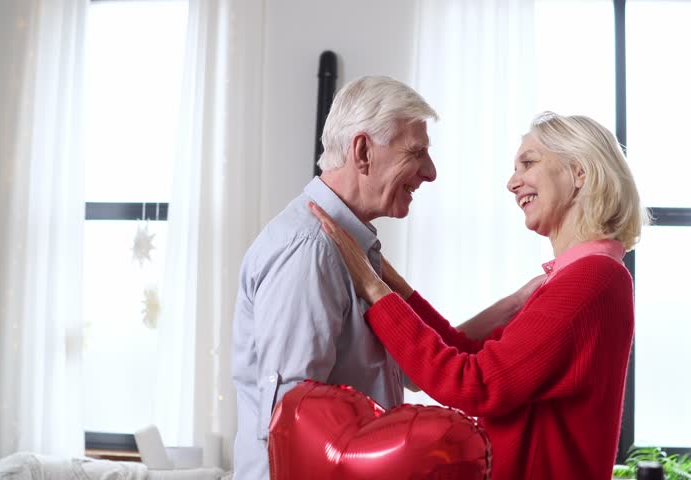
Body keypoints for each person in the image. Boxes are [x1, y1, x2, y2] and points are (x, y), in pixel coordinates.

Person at [230, 75, 543, 480]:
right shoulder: (312, 249)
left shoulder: (352, 249)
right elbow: (291, 426)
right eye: (416, 153)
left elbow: (412, 369)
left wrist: (516, 304)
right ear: (362, 151)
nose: (429, 172)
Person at [309, 111, 647, 480]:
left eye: (528, 163)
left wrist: (374, 289)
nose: (512, 183)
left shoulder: (590, 278)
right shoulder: (588, 275)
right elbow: (467, 355)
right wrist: (394, 285)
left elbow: (474, 384)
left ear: (579, 173)